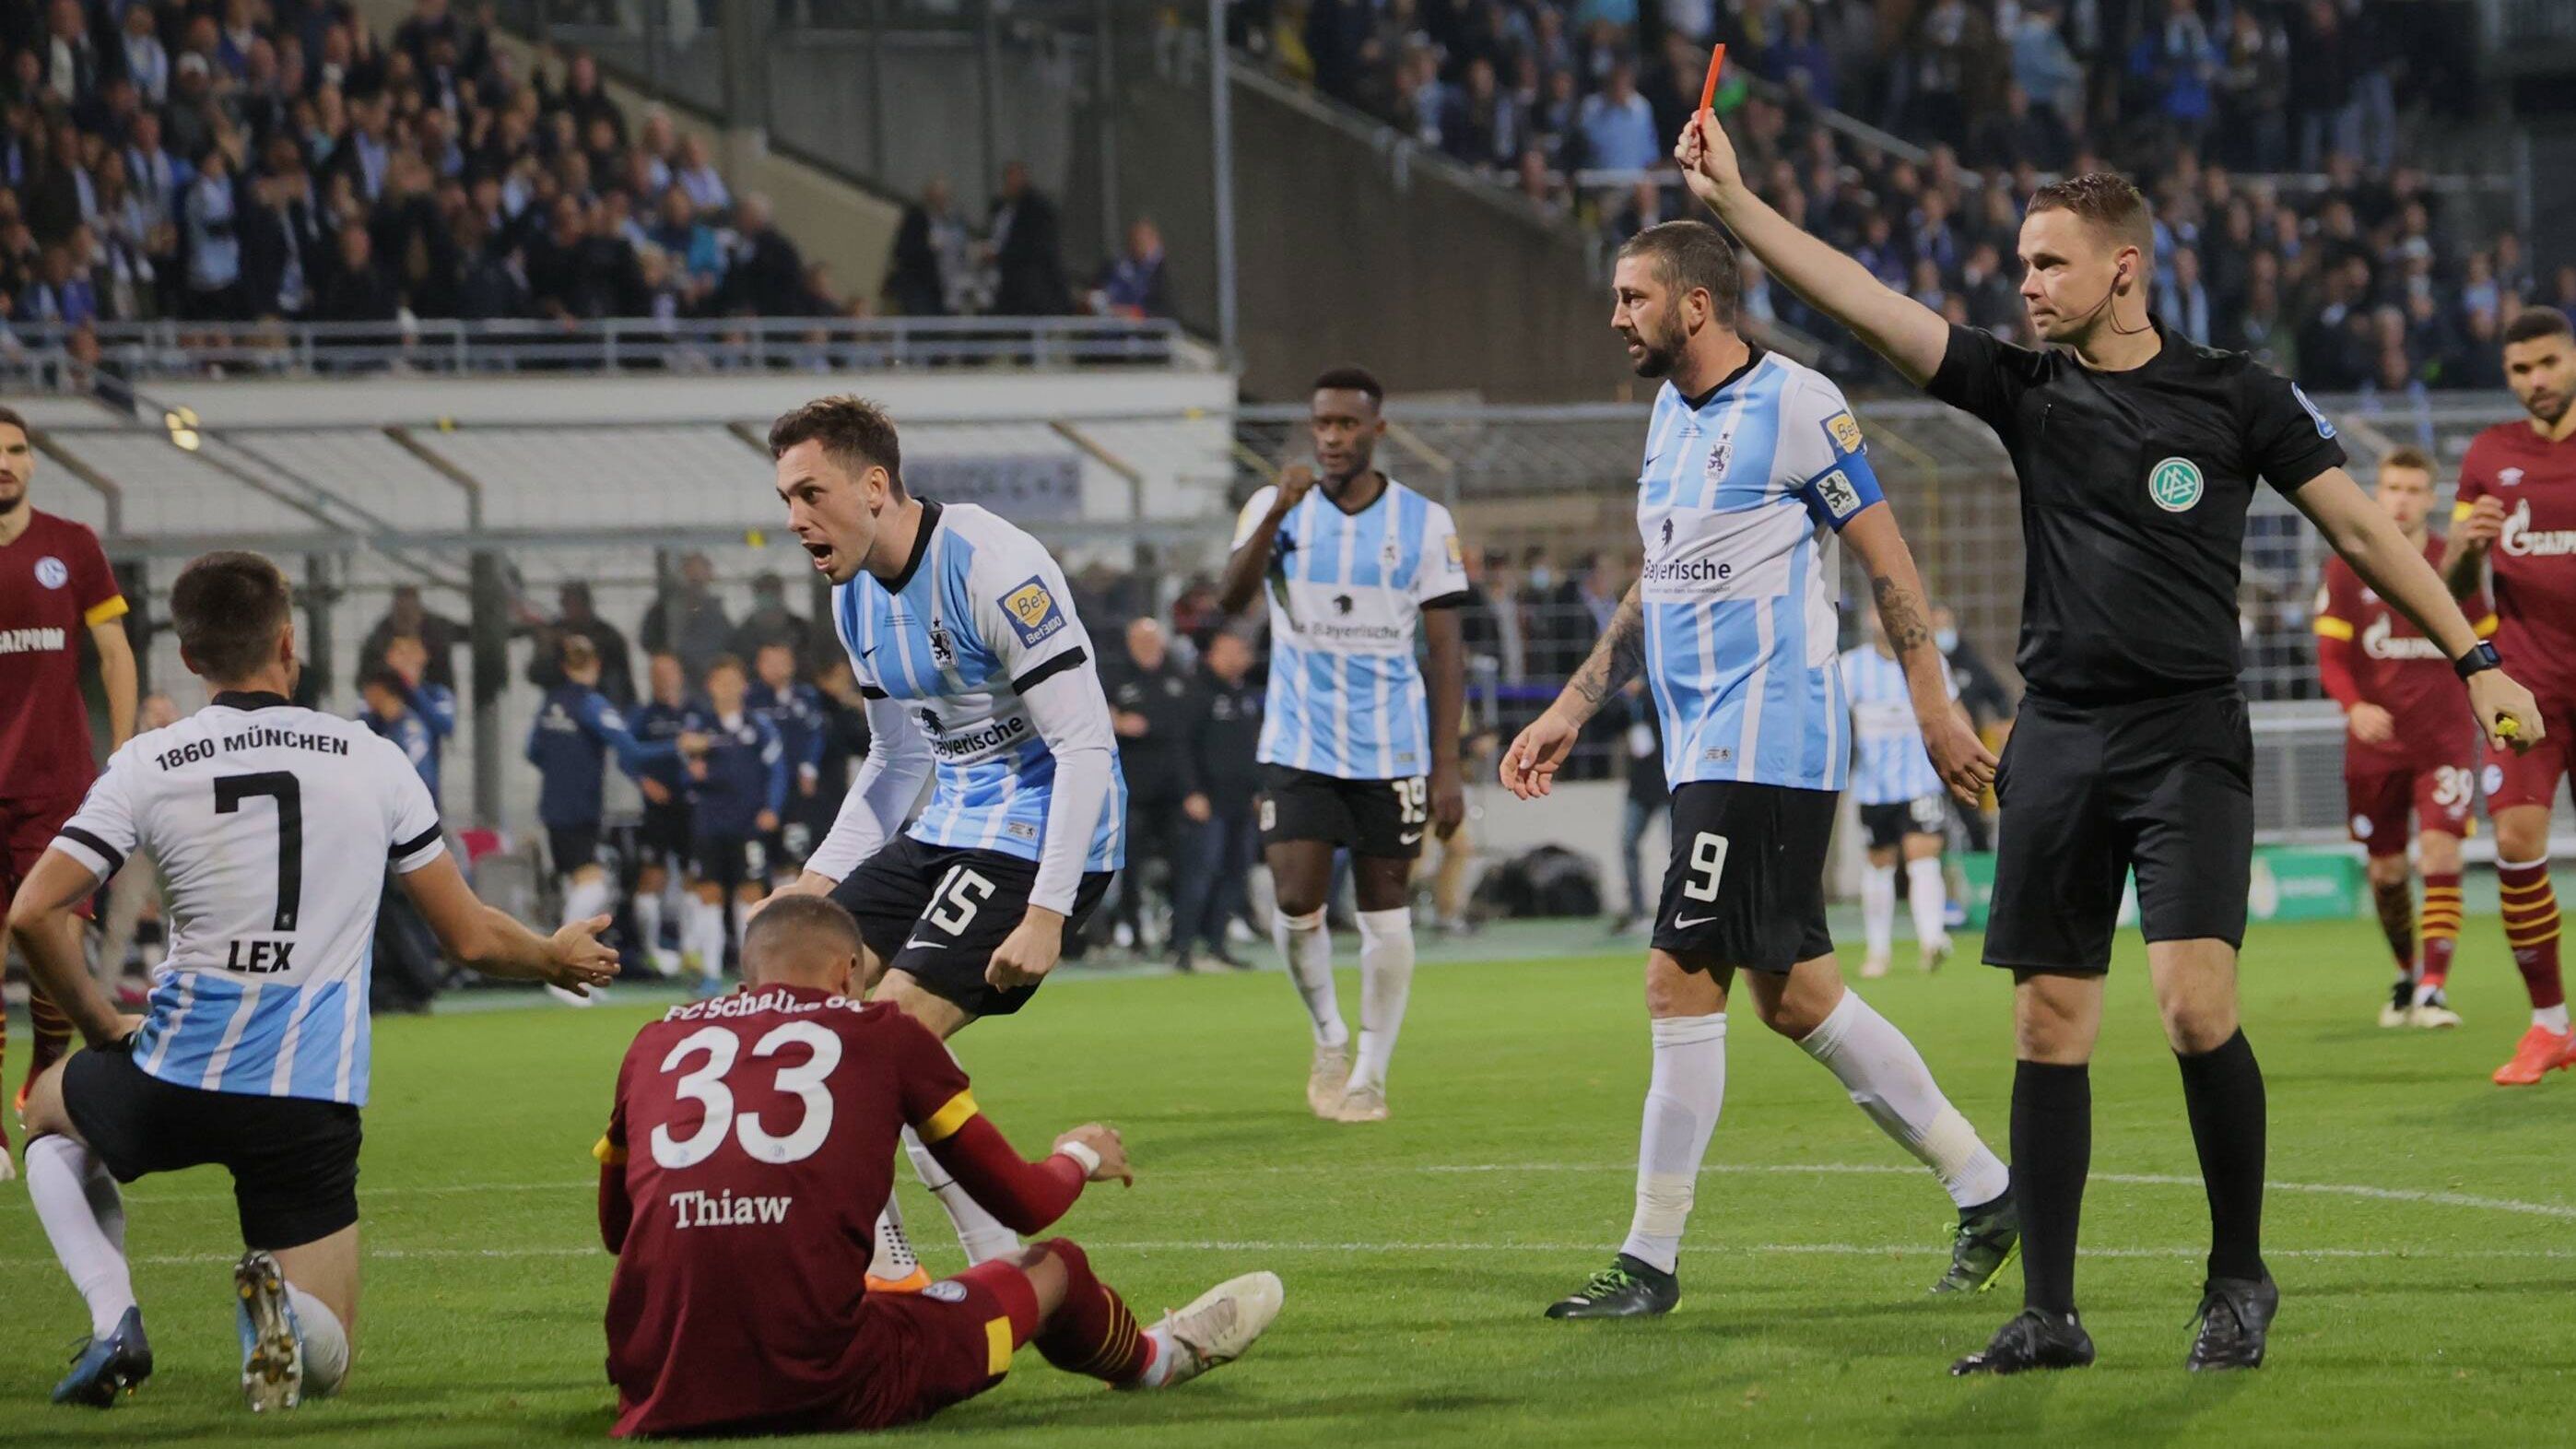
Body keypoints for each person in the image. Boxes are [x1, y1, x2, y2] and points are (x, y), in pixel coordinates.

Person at [1671, 112, 2541, 1372]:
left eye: (2045, 264)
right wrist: (1737, 207)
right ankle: (2051, 1315)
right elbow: (1865, 303)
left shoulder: (2233, 394)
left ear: (2120, 268)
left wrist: (2472, 659)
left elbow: (2359, 532)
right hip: (2058, 741)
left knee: (2193, 1010)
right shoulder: (2023, 390)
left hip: (2184, 737)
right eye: (2018, 265)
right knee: (2044, 1029)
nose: (2021, 285)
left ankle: (2237, 1276)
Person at [1500, 219, 2016, 1323]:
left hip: (1768, 740)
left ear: (1695, 304)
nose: (1615, 315)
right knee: (1796, 999)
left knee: (1675, 975)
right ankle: (1987, 1188)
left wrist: (1932, 705)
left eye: (1633, 296)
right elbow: (1658, 579)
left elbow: (1886, 558)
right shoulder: (1665, 416)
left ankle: (1646, 1260)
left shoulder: (1795, 402)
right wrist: (1570, 703)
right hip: (1699, 746)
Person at [9, 550, 615, 1412]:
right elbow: (471, 939)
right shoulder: (369, 758)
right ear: (288, 643)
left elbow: (34, 914)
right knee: (327, 1364)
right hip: (305, 1093)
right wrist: (555, 956)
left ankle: (115, 1318)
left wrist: (101, 1025)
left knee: (46, 1114)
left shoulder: (149, 763)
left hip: (173, 1071)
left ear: (188, 658)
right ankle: (283, 1316)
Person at [594, 895, 1280, 1437]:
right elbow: (1025, 1203)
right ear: (848, 973)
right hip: (828, 1382)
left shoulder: (654, 1040)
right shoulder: (881, 1034)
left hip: (660, 1383)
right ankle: (1158, 1361)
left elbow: (617, 1230)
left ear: (749, 973)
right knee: (1056, 1267)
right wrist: (1079, 1155)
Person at [759, 395, 1124, 1278]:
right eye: (785, 500)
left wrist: (1046, 912)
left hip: (1039, 837)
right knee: (801, 1014)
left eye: (811, 493)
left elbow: (1085, 745)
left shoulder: (994, 566)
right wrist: (814, 886)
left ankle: (891, 1268)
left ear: (875, 486)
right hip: (946, 827)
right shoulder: (853, 600)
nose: (795, 519)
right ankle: (991, 1258)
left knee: (879, 1042)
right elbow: (894, 762)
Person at [1216, 366, 1469, 1124]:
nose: (1331, 438)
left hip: (1390, 751)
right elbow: (1230, 600)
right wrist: (1275, 516)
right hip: (1298, 742)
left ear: (1376, 431)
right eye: (1321, 424)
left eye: (1347, 425)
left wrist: (1445, 764)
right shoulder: (1274, 505)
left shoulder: (1423, 522)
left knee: (1384, 910)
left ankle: (1369, 1074)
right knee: (1295, 900)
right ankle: (1328, 1034)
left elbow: (1446, 651)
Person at [0, 406, 137, 1167]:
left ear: (33, 461)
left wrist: (123, 757)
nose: (6, 463)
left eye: (17, 450)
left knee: (59, 950)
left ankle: (44, 1073)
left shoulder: (72, 545)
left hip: (58, 786)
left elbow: (113, 652)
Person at [2444, 307, 2576, 1085]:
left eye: (2549, 364)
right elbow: (2456, 587)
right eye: (2521, 370)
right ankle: (2549, 1026)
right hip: (2524, 687)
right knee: (2517, 848)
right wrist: (2464, 546)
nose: (2537, 381)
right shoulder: (2489, 454)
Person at [2315, 448, 2488, 1030]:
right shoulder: (2348, 565)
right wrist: (2354, 705)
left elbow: (2487, 642)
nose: (2402, 498)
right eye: (2393, 487)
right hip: (2374, 743)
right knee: (2386, 873)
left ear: (2430, 498)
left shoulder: (2453, 564)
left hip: (2442, 737)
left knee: (2441, 852)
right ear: (2378, 491)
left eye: (2414, 489)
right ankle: (2408, 972)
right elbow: (2332, 656)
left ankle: (2435, 990)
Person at [526, 636, 687, 1002]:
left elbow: (532, 751)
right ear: (594, 665)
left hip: (554, 806)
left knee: (579, 887)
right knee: (593, 888)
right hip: (580, 808)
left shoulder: (550, 702)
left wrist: (560, 772)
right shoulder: (592, 704)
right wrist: (678, 747)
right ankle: (558, 971)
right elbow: (631, 749)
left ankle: (578, 976)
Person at [1841, 609, 1958, 979]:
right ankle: (1878, 950)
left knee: (1923, 856)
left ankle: (1932, 940)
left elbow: (1950, 712)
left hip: (1921, 780)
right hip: (1873, 786)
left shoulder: (1929, 660)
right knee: (1880, 864)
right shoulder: (1851, 667)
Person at [677, 655, 785, 996]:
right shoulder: (699, 726)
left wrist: (772, 807)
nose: (727, 688)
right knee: (709, 894)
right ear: (711, 686)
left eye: (733, 681)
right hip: (709, 823)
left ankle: (748, 973)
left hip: (747, 823)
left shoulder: (759, 726)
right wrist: (689, 772)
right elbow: (682, 771)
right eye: (721, 682)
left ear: (744, 686)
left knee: (750, 894)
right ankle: (709, 974)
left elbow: (778, 769)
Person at [1171, 628, 1264, 973]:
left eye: (1241, 651)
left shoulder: (1242, 695)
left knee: (1234, 874)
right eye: (1230, 651)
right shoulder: (1196, 691)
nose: (1238, 658)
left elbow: (1248, 749)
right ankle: (1182, 947)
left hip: (1240, 800)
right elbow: (1181, 746)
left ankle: (1217, 944)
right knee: (1200, 874)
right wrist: (1191, 791)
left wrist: (1257, 790)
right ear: (1211, 654)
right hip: (1208, 800)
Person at [1101, 617, 1194, 960]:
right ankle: (1134, 934)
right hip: (1132, 790)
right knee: (1129, 866)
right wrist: (1119, 722)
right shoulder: (1116, 677)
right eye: (1140, 641)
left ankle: (1177, 936)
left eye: (1152, 641)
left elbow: (1187, 729)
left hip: (1172, 790)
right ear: (1129, 643)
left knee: (1182, 865)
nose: (1147, 647)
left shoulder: (1176, 677)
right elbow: (1094, 711)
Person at [629, 652, 696, 977]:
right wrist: (643, 782)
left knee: (693, 876)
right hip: (657, 809)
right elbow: (626, 755)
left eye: (669, 673)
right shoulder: (643, 716)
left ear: (680, 675)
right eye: (657, 674)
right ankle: (651, 949)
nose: (663, 679)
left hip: (692, 806)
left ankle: (690, 950)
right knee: (652, 875)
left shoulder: (694, 713)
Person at [746, 640, 828, 876]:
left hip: (795, 789)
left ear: (792, 665)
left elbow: (816, 734)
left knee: (795, 852)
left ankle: (790, 905)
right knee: (759, 859)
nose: (775, 668)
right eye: (769, 662)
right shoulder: (750, 699)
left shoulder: (806, 696)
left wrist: (809, 768)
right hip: (760, 790)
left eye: (781, 661)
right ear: (758, 665)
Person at [1605, 678, 1666, 937]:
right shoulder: (1628, 704)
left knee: (1680, 849)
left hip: (1669, 784)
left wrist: (1641, 692)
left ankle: (1682, 910)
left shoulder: (1655, 693)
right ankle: (1637, 911)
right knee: (1628, 844)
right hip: (1640, 786)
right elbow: (1608, 724)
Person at [523, 581, 635, 706]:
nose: (569, 610)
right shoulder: (555, 632)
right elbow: (537, 675)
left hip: (603, 703)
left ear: (586, 604)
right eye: (565, 604)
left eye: (574, 604)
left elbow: (620, 683)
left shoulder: (608, 636)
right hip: (562, 706)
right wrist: (545, 649)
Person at [640, 552, 732, 683]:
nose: (697, 576)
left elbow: (727, 642)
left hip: (708, 679)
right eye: (693, 570)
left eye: (702, 570)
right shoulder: (668, 607)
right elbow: (649, 639)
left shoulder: (714, 609)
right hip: (679, 679)